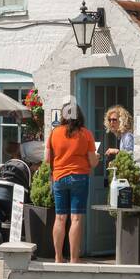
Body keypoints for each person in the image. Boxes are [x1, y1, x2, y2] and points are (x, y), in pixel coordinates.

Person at [43, 98, 98, 264]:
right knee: (76, 219)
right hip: (79, 177)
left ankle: (58, 257)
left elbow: (46, 159)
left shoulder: (54, 133)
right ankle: (74, 259)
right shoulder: (86, 134)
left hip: (59, 177)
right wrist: (97, 158)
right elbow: (93, 162)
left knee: (60, 218)